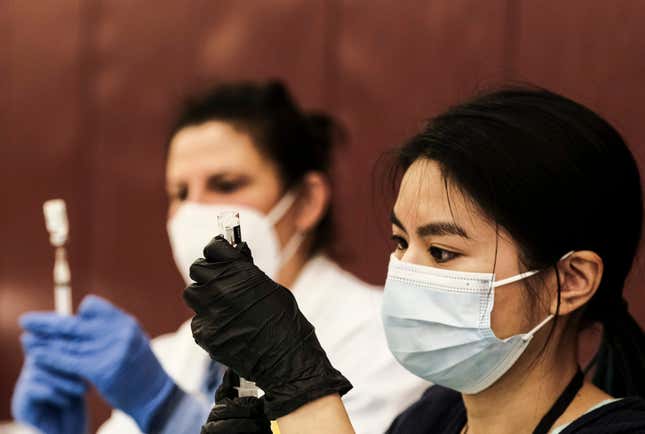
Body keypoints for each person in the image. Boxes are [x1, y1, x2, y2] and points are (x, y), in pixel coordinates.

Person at [184, 86, 645, 434]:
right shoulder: (430, 418)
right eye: (401, 243)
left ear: (573, 278)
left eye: (442, 252)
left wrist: (301, 389)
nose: (407, 273)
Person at [11, 81, 426, 434]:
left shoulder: (384, 340)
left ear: (306, 201)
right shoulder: (170, 359)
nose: (195, 212)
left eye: (225, 185)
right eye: (180, 194)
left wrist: (167, 409)